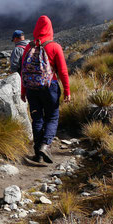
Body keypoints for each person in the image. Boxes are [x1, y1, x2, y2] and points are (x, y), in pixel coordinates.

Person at [20, 15, 71, 163]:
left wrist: (24, 91)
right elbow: (63, 71)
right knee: (52, 117)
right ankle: (46, 145)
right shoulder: (54, 47)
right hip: (50, 87)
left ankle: (38, 155)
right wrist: (67, 91)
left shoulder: (29, 47)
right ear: (50, 29)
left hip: (31, 88)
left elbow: (24, 71)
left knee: (37, 119)